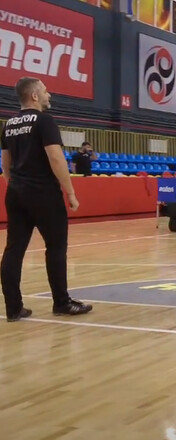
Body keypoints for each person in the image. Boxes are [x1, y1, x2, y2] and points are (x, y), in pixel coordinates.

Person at [0, 77, 93, 321]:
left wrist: (14, 185)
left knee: (13, 249)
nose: (48, 94)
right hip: (43, 193)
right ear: (34, 96)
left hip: (16, 193)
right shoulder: (44, 120)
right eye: (45, 90)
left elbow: (5, 162)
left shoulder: (9, 124)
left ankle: (13, 308)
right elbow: (55, 157)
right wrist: (70, 192)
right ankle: (61, 303)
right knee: (56, 247)